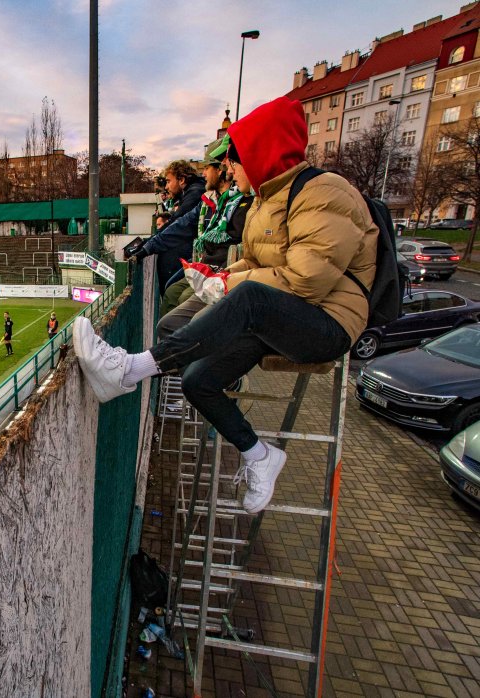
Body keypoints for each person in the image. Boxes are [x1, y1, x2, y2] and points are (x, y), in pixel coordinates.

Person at [74, 96, 378, 515]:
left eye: (235, 160)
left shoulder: (325, 192)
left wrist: (231, 283)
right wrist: (217, 278)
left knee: (245, 298)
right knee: (198, 378)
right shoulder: (266, 201)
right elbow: (254, 264)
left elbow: (307, 280)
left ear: (261, 153)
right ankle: (259, 456)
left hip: (327, 325)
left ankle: (127, 370)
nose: (231, 169)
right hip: (279, 316)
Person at [157, 137, 253, 324]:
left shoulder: (240, 200)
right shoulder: (220, 198)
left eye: (207, 169)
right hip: (207, 265)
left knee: (183, 301)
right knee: (170, 293)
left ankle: (180, 348)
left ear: (220, 170)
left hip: (220, 271)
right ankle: (168, 349)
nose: (204, 175)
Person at [128, 160, 206, 288]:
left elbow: (175, 225)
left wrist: (145, 247)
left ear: (181, 180)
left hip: (191, 261)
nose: (166, 187)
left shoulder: (195, 193)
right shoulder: (191, 193)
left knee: (171, 292)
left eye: (169, 181)